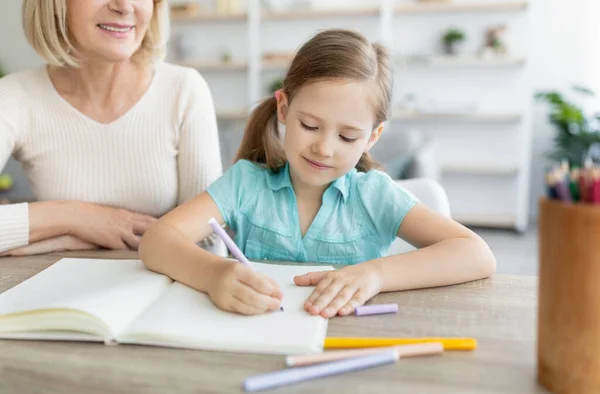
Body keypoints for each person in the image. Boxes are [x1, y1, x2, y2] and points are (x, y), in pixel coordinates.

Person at [139, 29, 496, 318]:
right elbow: (156, 242)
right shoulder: (245, 183)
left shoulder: (374, 195)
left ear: (372, 137)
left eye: (347, 136)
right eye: (309, 125)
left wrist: (376, 274)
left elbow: (476, 254)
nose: (324, 148)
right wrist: (214, 274)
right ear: (283, 108)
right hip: (258, 338)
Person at [0, 0, 223, 256]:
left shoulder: (183, 90)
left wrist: (51, 237)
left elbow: (209, 240)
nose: (125, 6)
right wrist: (74, 217)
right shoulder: (14, 96)